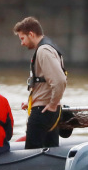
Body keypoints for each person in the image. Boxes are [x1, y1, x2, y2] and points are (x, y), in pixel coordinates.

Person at [14, 17, 68, 149]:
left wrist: (52, 104)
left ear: (31, 34)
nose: (22, 43)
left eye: (22, 38)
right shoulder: (49, 48)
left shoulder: (44, 51)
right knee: (50, 150)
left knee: (32, 151)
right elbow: (47, 82)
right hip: (46, 108)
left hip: (43, 111)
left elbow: (59, 80)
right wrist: (33, 101)